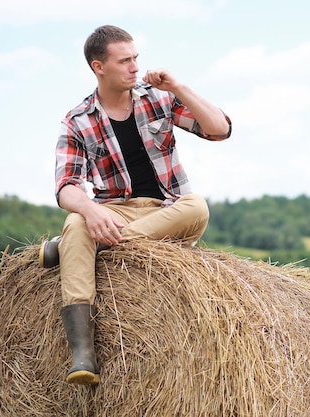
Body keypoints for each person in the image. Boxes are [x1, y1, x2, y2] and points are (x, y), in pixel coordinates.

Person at [39, 25, 232, 386]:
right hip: (116, 209)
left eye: (135, 58)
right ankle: (83, 354)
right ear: (99, 67)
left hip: (168, 210)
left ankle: (71, 250)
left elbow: (219, 129)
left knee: (198, 206)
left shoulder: (158, 98)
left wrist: (177, 87)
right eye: (124, 60)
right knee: (79, 220)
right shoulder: (78, 120)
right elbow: (66, 187)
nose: (134, 67)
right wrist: (92, 211)